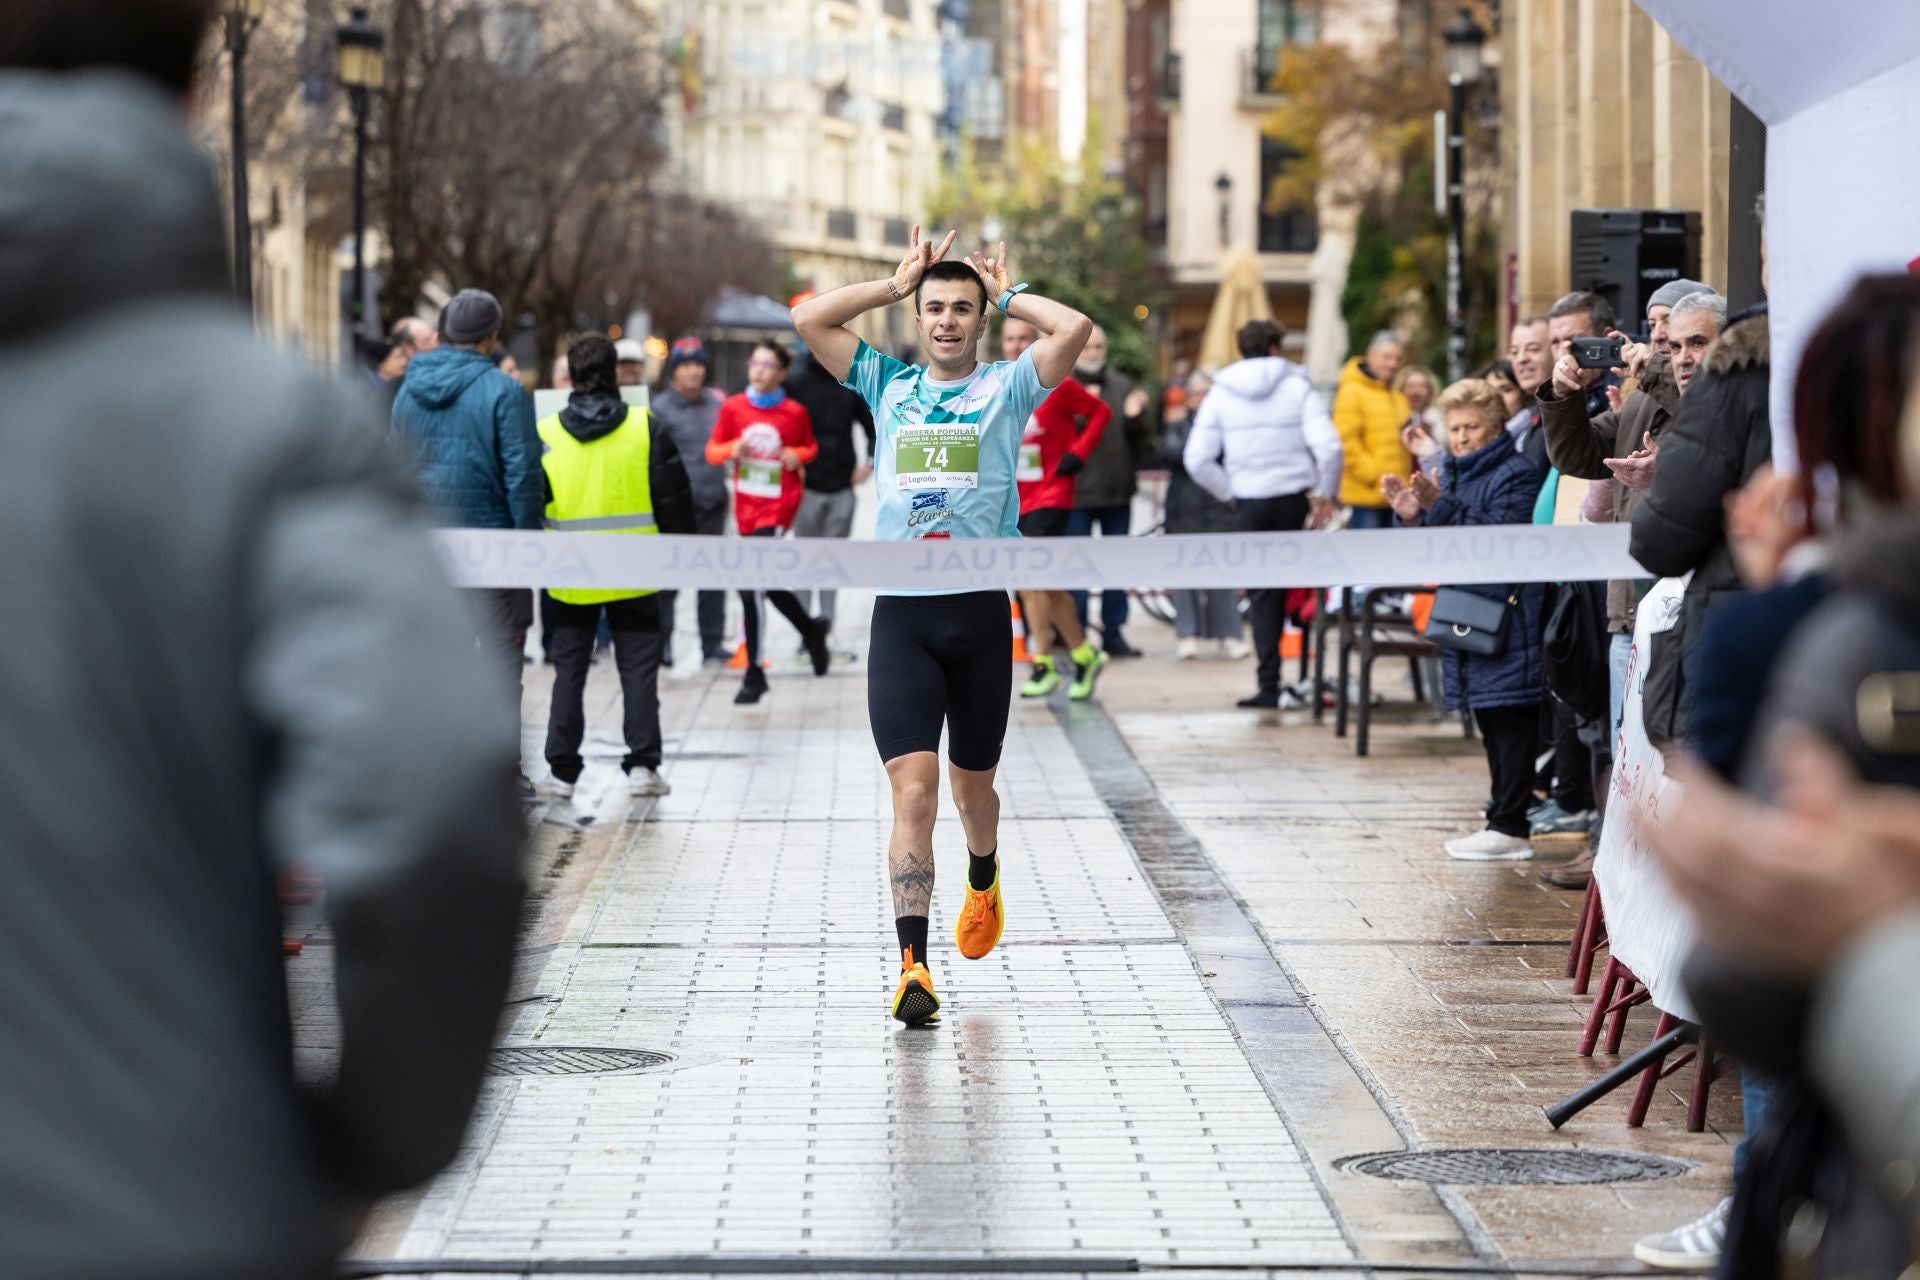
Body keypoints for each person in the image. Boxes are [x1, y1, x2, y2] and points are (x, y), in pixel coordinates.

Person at [0, 11, 526, 1275]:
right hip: (154, 1204)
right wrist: (370, 1145)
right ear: (194, 86)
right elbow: (429, 794)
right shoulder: (268, 426)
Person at [792, 227, 1093, 1024]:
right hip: (903, 619)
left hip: (980, 616)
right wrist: (892, 287)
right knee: (915, 793)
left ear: (981, 319)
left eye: (963, 308)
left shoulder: (1009, 387)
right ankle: (912, 966)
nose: (949, 320)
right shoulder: (885, 383)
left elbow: (1076, 332)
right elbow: (811, 321)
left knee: (973, 793)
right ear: (918, 319)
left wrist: (1009, 289)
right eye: (936, 309)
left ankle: (985, 873)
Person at [1542, 288, 1724, 743]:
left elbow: (1698, 428)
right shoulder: (1642, 397)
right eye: (1657, 325)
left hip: (1690, 606)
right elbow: (1578, 455)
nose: (1664, 338)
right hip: (1628, 608)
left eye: (1691, 340)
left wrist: (1654, 373)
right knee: (1626, 755)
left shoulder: (1716, 394)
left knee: (1674, 757)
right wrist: (1563, 395)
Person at [1382, 379, 1547, 860]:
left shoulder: (1516, 472)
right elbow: (1441, 534)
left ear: (1495, 427)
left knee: (1510, 719)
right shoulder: (1450, 473)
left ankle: (1510, 825)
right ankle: (1501, 815)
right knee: (1490, 719)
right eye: (1454, 428)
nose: (1462, 437)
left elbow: (1496, 541)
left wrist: (1437, 505)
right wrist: (1411, 515)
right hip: (1468, 614)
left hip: (1507, 617)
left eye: (1472, 426)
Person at [390, 286, 543, 794]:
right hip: (495, 546)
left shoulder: (408, 389)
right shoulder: (503, 392)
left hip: (429, 544)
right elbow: (522, 476)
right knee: (500, 661)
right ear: (492, 337)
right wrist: (527, 546)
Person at [538, 335, 696, 798]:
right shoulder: (645, 426)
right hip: (637, 568)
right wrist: (682, 556)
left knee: (568, 671)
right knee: (638, 671)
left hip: (569, 574)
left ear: (571, 373)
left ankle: (562, 772)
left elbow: (532, 502)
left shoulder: (545, 432)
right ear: (613, 372)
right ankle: (643, 766)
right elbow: (674, 500)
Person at [1629, 293, 1772, 749]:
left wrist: (1668, 482)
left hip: (1736, 617)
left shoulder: (1733, 382)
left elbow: (1658, 541)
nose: (1685, 359)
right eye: (1673, 347)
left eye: (1697, 343)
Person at [1185, 319, 1342, 709]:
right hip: (1293, 499)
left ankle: (1268, 685)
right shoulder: (1297, 386)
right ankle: (1310, 677)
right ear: (1275, 347)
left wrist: (1230, 492)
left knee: (1262, 596)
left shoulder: (1221, 392)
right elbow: (1330, 448)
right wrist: (1326, 494)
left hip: (1249, 503)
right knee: (1307, 587)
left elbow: (1197, 459)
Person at [705, 339, 831, 704]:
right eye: (754, 364)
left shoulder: (794, 412)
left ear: (781, 373)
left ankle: (754, 672)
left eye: (767, 365)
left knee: (751, 586)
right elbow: (713, 451)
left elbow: (810, 447)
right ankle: (811, 630)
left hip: (778, 506)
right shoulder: (733, 407)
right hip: (745, 505)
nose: (759, 371)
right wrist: (732, 449)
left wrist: (797, 455)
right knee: (768, 582)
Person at [1005, 314, 1112, 701]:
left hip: (1052, 494)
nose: (1017, 346)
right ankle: (1084, 654)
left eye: (1024, 339)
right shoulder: (999, 385)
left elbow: (1101, 412)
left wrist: (1078, 452)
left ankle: (1043, 664)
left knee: (1028, 580)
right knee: (1047, 584)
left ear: (1035, 343)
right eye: (1010, 339)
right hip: (1013, 499)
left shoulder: (1058, 385)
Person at [1066, 324, 1153, 656]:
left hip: (1117, 490)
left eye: (1099, 348)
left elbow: (1143, 442)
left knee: (1116, 566)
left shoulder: (1120, 385)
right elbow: (1058, 438)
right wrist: (1083, 411)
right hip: (1078, 494)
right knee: (1078, 568)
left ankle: (1114, 634)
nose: (1093, 354)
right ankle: (1078, 638)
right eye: (1088, 347)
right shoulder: (1065, 384)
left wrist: (1135, 417)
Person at [786, 339, 877, 648]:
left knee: (831, 562)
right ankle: (804, 634)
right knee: (806, 561)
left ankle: (825, 630)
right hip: (806, 485)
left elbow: (872, 425)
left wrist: (870, 462)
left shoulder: (848, 383)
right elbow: (780, 423)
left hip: (842, 486)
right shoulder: (795, 381)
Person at [652, 337, 731, 665]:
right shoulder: (659, 409)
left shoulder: (718, 405)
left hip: (713, 502)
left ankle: (711, 644)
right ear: (674, 372)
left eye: (698, 364)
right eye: (686, 365)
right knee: (667, 580)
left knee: (712, 578)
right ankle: (662, 646)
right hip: (674, 508)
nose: (693, 371)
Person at [1159, 370, 1248, 659]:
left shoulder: (1230, 426)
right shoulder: (1178, 427)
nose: (1202, 399)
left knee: (1222, 575)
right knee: (1185, 577)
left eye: (1207, 393)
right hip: (1184, 511)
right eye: (1196, 393)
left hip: (1219, 511)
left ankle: (1229, 634)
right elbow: (1172, 455)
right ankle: (1187, 634)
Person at [1331, 331, 1410, 529]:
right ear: (1370, 355)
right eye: (1387, 357)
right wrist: (1375, 476)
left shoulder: (1396, 394)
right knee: (1366, 556)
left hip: (1397, 496)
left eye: (1397, 359)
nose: (1393, 364)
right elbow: (1346, 442)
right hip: (1366, 496)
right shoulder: (1351, 391)